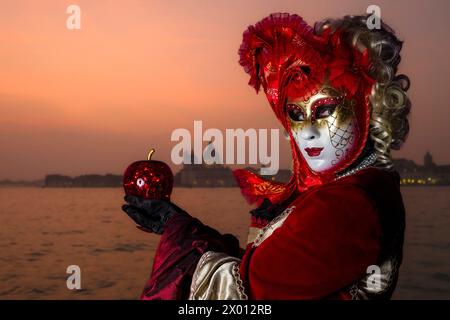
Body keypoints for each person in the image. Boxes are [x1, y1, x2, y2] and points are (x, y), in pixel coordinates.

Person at [122, 12, 411, 300]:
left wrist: (178, 231)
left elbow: (241, 296)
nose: (307, 132)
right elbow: (260, 272)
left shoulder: (348, 204)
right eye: (295, 114)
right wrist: (181, 225)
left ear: (368, 106)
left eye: (324, 110)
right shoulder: (351, 187)